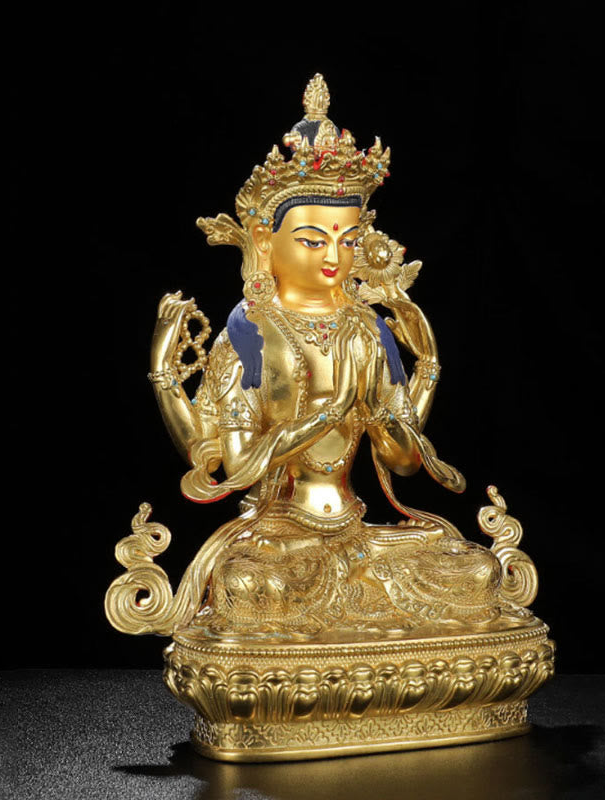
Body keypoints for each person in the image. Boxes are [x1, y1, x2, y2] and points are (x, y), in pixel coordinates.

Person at [138, 75, 512, 641]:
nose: (335, 255)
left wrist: (422, 369)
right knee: (250, 586)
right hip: (279, 539)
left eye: (349, 239)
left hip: (358, 531)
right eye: (313, 240)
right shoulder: (248, 335)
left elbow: (404, 463)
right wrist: (330, 410)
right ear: (265, 243)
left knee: (475, 572)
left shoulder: (368, 330)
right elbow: (236, 468)